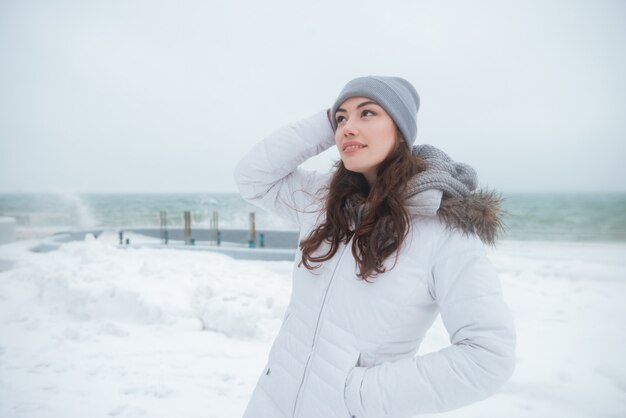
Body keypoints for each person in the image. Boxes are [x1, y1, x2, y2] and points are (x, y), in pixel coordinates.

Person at [234, 75, 516, 418]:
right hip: (270, 405)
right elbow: (252, 177)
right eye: (341, 119)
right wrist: (329, 121)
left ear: (400, 129)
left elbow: (488, 357)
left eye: (367, 113)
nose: (348, 128)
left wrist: (356, 396)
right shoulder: (323, 201)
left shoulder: (442, 229)